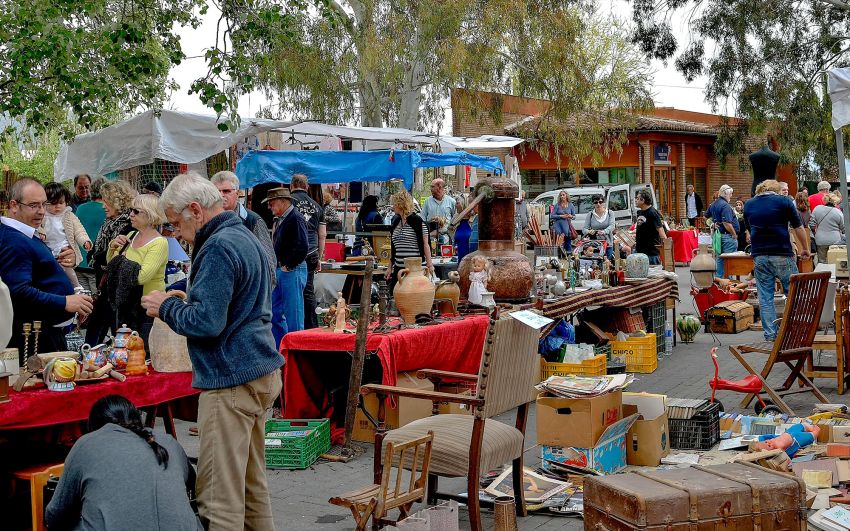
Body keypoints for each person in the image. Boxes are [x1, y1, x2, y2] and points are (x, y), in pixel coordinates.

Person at [141, 172, 283, 531]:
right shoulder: (243, 235)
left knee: (219, 499)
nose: (176, 233)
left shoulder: (218, 246)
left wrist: (166, 307)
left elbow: (207, 322)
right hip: (256, 369)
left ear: (195, 210)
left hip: (231, 379)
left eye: (176, 224)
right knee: (250, 489)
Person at [45, 395, 202, 531]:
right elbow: (192, 489)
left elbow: (54, 515)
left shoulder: (87, 444)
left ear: (94, 427)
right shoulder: (168, 442)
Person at [0, 179, 93, 364]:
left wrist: (65, 261)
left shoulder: (25, 234)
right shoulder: (14, 240)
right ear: (14, 205)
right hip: (33, 340)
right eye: (34, 205)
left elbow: (38, 272)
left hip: (43, 334)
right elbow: (17, 291)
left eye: (44, 204)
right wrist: (65, 302)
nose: (42, 211)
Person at [744, 179, 810, 342]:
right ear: (776, 190)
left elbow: (749, 229)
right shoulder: (784, 201)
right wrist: (805, 248)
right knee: (794, 294)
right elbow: (798, 227)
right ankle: (795, 331)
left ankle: (771, 335)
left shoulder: (749, 204)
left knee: (765, 297)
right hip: (782, 252)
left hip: (760, 254)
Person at [107, 194, 168, 348]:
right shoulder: (131, 235)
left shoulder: (159, 243)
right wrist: (112, 247)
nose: (131, 215)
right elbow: (111, 266)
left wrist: (122, 260)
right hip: (126, 305)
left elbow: (142, 277)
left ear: (150, 215)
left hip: (147, 309)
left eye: (136, 211)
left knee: (143, 352)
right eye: (131, 210)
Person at [84, 180, 137, 346]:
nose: (103, 206)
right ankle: (89, 354)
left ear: (117, 201)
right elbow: (96, 253)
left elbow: (113, 255)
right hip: (103, 284)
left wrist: (97, 256)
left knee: (114, 329)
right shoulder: (109, 223)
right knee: (96, 325)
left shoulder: (129, 225)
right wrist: (96, 255)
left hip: (116, 287)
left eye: (106, 201)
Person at [210, 171, 275, 285]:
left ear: (237, 193)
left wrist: (262, 292)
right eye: (217, 191)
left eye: (226, 191)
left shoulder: (252, 221)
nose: (221, 195)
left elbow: (269, 263)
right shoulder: (209, 221)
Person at [267, 187, 308, 344]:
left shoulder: (294, 218)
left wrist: (289, 265)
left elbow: (303, 246)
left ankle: (296, 351)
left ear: (282, 201)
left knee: (294, 316)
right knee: (273, 312)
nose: (269, 206)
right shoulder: (284, 218)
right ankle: (283, 348)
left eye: (272, 202)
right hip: (285, 269)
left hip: (291, 269)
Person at [289, 173, 326, 330]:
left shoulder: (288, 202)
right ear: (307, 187)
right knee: (308, 290)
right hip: (311, 252)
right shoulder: (317, 206)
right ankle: (312, 327)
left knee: (292, 291)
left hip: (293, 252)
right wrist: (319, 257)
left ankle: (295, 328)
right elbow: (322, 235)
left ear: (291, 185)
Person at [41, 182, 92, 288]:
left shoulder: (69, 215)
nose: (58, 206)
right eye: (53, 203)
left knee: (67, 268)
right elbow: (37, 227)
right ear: (45, 203)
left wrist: (84, 241)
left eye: (61, 202)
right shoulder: (42, 215)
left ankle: (76, 286)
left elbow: (79, 230)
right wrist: (41, 232)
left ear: (66, 201)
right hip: (47, 247)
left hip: (63, 246)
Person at [385, 190, 433, 293]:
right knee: (395, 295)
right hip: (399, 269)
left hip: (415, 270)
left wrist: (430, 266)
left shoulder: (417, 222)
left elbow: (426, 245)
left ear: (400, 204)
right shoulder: (395, 222)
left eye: (394, 203)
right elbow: (394, 248)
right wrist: (390, 267)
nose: (392, 206)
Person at [75, 178, 107, 294]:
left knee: (83, 298)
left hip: (79, 262)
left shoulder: (81, 208)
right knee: (96, 299)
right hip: (95, 264)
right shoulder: (107, 210)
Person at [705, 184, 739, 277]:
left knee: (720, 259)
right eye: (730, 194)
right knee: (729, 261)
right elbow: (726, 223)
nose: (731, 196)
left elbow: (706, 216)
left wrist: (713, 224)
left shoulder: (713, 204)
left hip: (719, 236)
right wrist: (734, 234)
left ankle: (719, 280)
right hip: (727, 236)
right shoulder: (725, 206)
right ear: (726, 194)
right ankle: (728, 281)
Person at [633, 188, 667, 265]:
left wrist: (666, 247)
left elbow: (661, 231)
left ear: (643, 200)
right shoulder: (640, 212)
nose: (635, 200)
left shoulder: (652, 213)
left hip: (651, 253)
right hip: (639, 251)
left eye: (637, 198)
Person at [810, 192, 845, 262]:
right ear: (835, 202)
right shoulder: (838, 212)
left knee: (821, 262)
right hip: (835, 240)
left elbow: (811, 225)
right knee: (833, 261)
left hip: (820, 240)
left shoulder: (817, 209)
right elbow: (843, 228)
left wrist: (815, 233)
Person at [421, 178, 456, 244]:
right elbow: (422, 219)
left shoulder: (451, 202)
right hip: (430, 239)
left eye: (432, 186)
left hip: (446, 240)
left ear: (439, 187)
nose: (430, 189)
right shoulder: (427, 202)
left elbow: (455, 219)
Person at [584, 194, 615, 260]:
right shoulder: (590, 214)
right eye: (596, 202)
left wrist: (604, 231)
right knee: (596, 262)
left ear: (603, 203)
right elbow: (584, 229)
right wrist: (589, 231)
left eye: (600, 202)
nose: (598, 204)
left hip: (608, 243)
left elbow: (612, 226)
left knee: (607, 262)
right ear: (593, 204)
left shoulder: (610, 213)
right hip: (595, 244)